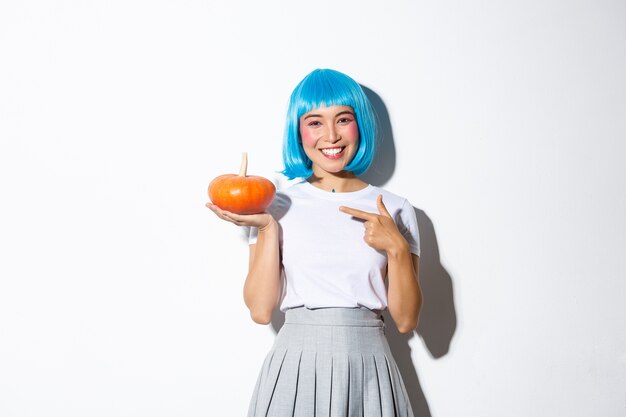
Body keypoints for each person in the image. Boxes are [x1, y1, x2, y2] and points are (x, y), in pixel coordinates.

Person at [207, 68, 422, 417]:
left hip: (368, 364)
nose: (331, 136)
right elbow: (261, 311)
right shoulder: (273, 205)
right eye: (315, 122)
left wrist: (396, 248)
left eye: (343, 119)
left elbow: (406, 320)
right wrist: (267, 229)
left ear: (359, 125)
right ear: (299, 130)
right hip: (296, 364)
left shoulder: (395, 208)